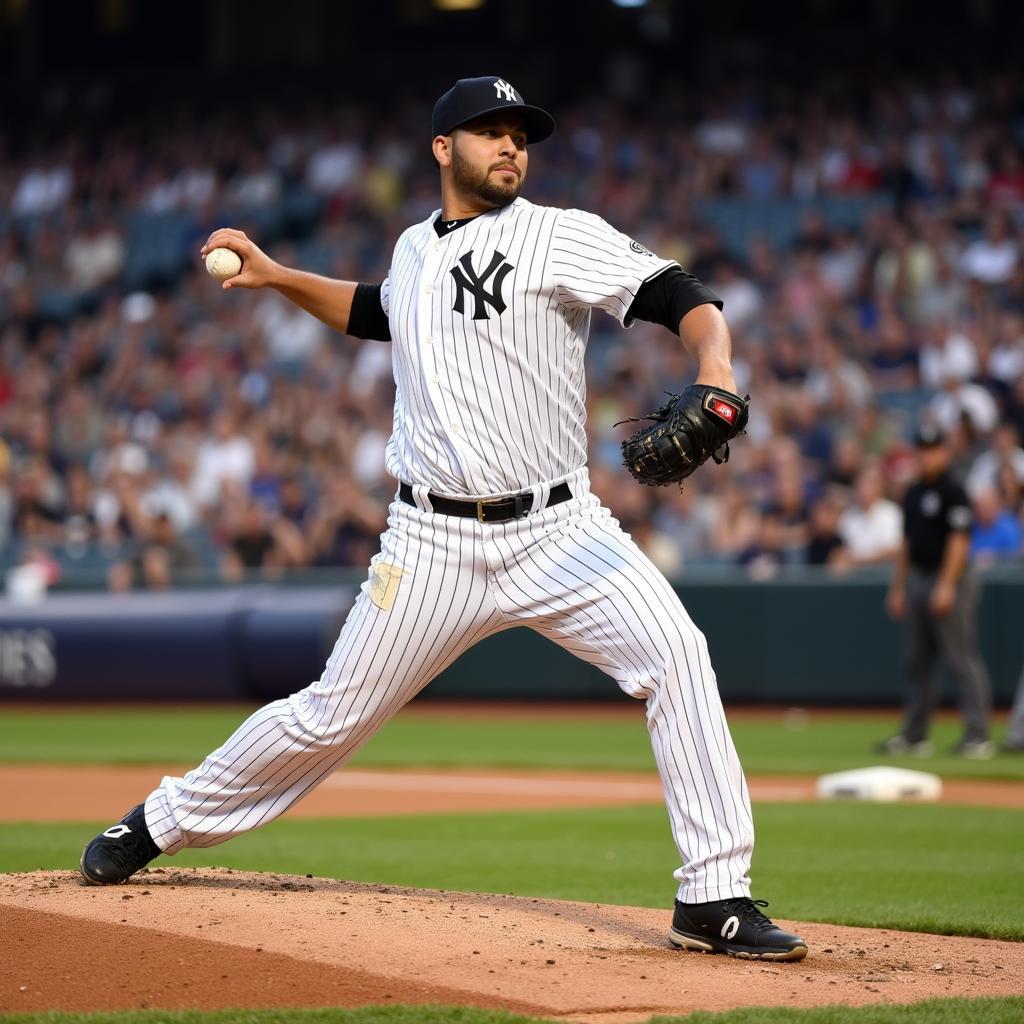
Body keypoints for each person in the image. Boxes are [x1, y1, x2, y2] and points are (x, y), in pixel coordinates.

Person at [78, 76, 807, 962]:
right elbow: (374, 311)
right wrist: (273, 278)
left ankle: (713, 896)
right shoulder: (414, 249)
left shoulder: (556, 233)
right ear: (441, 148)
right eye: (488, 131)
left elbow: (675, 293)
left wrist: (717, 367)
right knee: (328, 718)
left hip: (558, 530)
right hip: (431, 542)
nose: (509, 146)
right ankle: (158, 822)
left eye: (519, 135)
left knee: (678, 656)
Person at [880, 424, 993, 758]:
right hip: (919, 576)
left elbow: (959, 541)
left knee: (961, 658)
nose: (926, 456)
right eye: (922, 449)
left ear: (944, 451)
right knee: (918, 660)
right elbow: (906, 543)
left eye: (932, 449)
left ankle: (978, 735)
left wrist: (946, 585)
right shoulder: (914, 491)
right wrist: (898, 587)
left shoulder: (953, 489)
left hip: (951, 579)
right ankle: (916, 735)